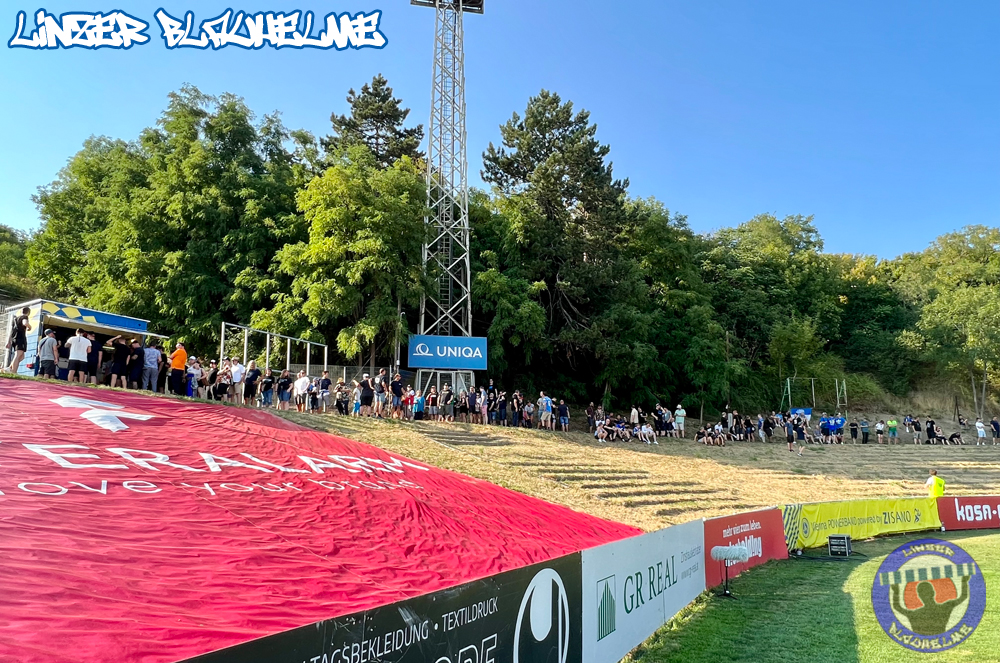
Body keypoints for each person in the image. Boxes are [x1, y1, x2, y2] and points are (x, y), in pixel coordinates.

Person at [892, 575, 970, 636]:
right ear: (933, 592)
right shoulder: (944, 608)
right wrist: (964, 581)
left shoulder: (915, 614)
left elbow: (897, 607)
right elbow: (963, 596)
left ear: (919, 597)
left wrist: (896, 591)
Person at [5, 306, 32, 373]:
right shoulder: (24, 317)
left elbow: (11, 331)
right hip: (20, 337)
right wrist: (29, 327)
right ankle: (13, 371)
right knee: (18, 355)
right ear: (28, 312)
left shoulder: (15, 319)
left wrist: (9, 341)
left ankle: (9, 368)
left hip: (14, 338)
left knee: (22, 357)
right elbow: (25, 323)